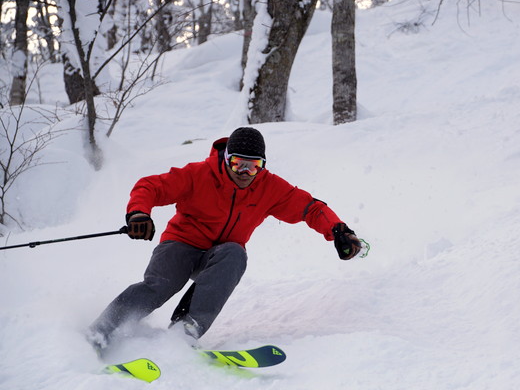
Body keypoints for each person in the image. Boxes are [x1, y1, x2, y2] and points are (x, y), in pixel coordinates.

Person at [86, 127, 361, 350]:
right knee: (160, 286)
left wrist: (338, 230)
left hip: (220, 256)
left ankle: (185, 330)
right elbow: (150, 186)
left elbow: (310, 208)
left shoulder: (269, 187)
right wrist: (138, 214)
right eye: (237, 164)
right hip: (181, 244)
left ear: (262, 166)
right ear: (226, 158)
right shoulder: (198, 174)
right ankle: (102, 330)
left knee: (234, 254)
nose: (244, 173)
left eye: (253, 167)